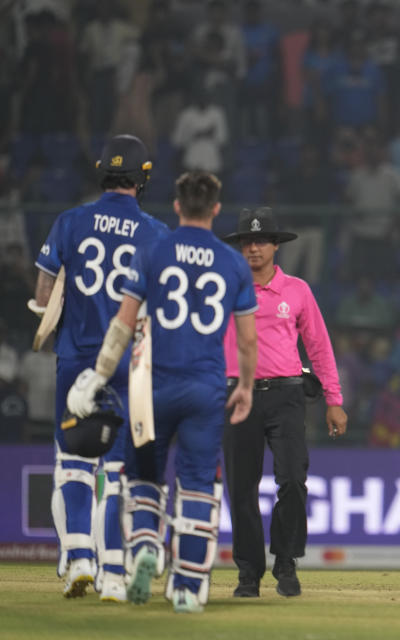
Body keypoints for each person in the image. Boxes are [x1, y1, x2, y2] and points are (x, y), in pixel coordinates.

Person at [66, 171, 258, 613]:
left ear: (176, 206)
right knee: (197, 487)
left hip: (150, 387)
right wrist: (245, 385)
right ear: (215, 208)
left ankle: (147, 545)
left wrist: (98, 375)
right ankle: (188, 587)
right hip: (205, 390)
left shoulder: (154, 250)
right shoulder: (232, 263)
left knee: (143, 478)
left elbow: (124, 322)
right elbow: (248, 341)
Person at [31, 134, 168, 601]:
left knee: (72, 462)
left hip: (74, 358)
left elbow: (44, 296)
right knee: (118, 469)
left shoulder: (70, 222)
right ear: (142, 177)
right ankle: (113, 570)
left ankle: (78, 560)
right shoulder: (155, 232)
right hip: (129, 364)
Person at [221, 207, 347, 598]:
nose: (253, 248)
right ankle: (248, 572)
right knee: (241, 487)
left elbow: (319, 347)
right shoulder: (224, 289)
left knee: (293, 479)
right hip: (235, 396)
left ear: (276, 245)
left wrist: (334, 399)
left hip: (287, 395)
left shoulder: (297, 290)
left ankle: (286, 560)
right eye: (247, 241)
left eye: (261, 241)